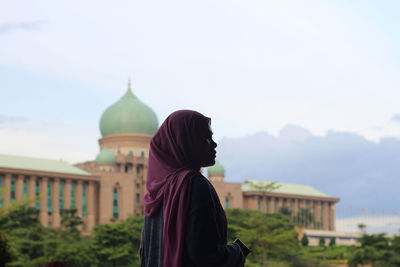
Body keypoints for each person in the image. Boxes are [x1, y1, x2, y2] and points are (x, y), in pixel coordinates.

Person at [140, 110, 245, 267]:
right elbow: (204, 256)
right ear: (186, 142)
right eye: (207, 138)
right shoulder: (193, 185)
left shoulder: (156, 193)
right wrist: (237, 251)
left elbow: (145, 253)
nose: (214, 144)